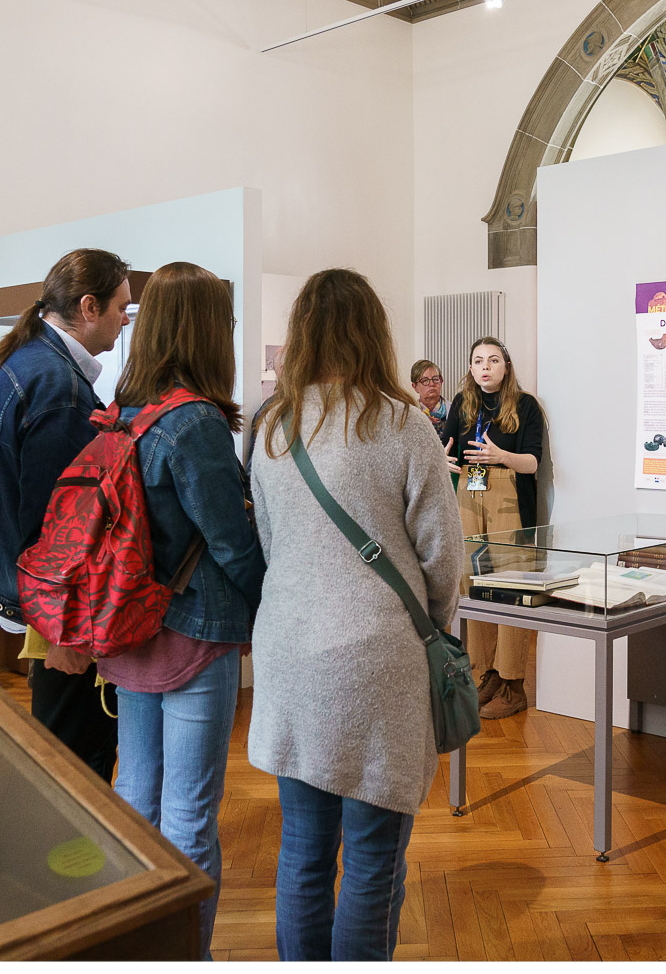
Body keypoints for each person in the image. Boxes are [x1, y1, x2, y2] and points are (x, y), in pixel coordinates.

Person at [247, 268, 463, 961]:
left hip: (287, 651)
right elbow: (444, 559)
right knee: (373, 860)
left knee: (303, 853)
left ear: (302, 333)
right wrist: (428, 618)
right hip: (379, 657)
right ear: (374, 330)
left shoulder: (272, 424)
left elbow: (269, 544)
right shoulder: (404, 424)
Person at [94, 262, 264, 960]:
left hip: (131, 627)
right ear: (205, 329)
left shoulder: (123, 410)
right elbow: (232, 542)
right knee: (190, 815)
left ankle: (137, 942)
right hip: (193, 632)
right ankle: (183, 954)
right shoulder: (194, 421)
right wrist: (272, 601)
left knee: (136, 795)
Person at [0, 248, 133, 781]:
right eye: (121, 307)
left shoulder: (29, 363)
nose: (126, 319)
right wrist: (63, 634)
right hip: (53, 609)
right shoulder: (56, 386)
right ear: (88, 306)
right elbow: (56, 529)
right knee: (75, 765)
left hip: (25, 593)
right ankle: (78, 865)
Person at [439, 337, 544, 720]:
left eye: (493, 360)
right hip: (467, 491)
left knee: (512, 584)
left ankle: (513, 682)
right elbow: (445, 448)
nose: (485, 367)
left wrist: (501, 456)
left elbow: (533, 463)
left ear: (506, 367)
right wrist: (442, 461)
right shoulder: (461, 403)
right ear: (470, 368)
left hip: (508, 491)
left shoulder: (526, 405)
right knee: (471, 581)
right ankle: (485, 673)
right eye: (478, 361)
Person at [410, 359, 449, 431]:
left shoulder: (455, 410)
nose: (432, 384)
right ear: (415, 386)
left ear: (441, 381)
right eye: (424, 381)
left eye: (435, 379)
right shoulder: (410, 414)